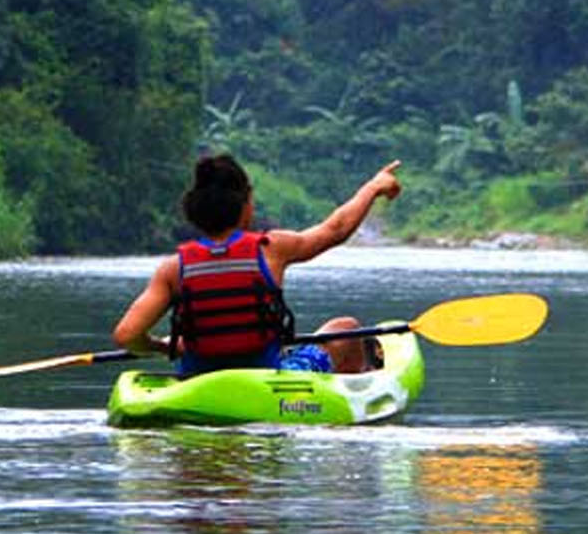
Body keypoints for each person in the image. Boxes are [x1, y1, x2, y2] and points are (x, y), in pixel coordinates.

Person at [113, 154, 402, 376]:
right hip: (265, 378)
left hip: (198, 378)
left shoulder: (174, 269)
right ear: (245, 206)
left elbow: (127, 335)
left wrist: (164, 347)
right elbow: (335, 229)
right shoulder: (271, 249)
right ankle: (350, 401)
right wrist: (373, 187)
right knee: (346, 328)